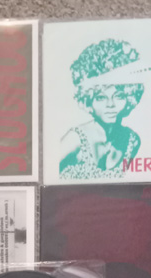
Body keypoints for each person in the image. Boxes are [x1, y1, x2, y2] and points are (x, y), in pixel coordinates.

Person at [59, 39, 144, 180]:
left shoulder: (131, 141)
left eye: (119, 96)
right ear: (88, 100)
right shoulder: (75, 140)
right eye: (100, 98)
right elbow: (45, 173)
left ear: (130, 96)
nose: (110, 104)